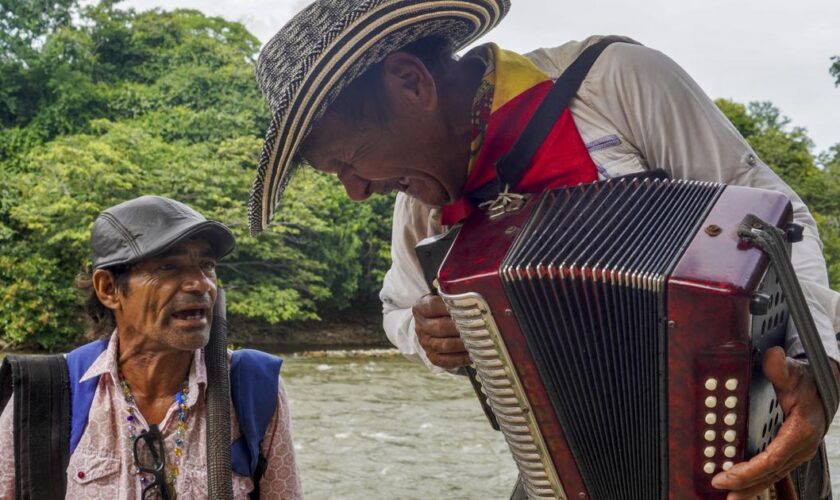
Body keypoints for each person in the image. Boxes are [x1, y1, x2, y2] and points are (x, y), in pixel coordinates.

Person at [247, 1, 839, 498]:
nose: (355, 192)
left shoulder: (610, 83)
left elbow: (776, 218)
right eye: (337, 175)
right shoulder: (423, 208)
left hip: (751, 439)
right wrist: (427, 337)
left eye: (351, 159)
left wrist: (820, 372)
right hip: (569, 468)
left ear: (412, 82)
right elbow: (398, 308)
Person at [0, 195, 302, 499]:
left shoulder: (254, 387)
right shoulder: (43, 394)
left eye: (206, 265)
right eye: (169, 266)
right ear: (108, 288)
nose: (200, 285)